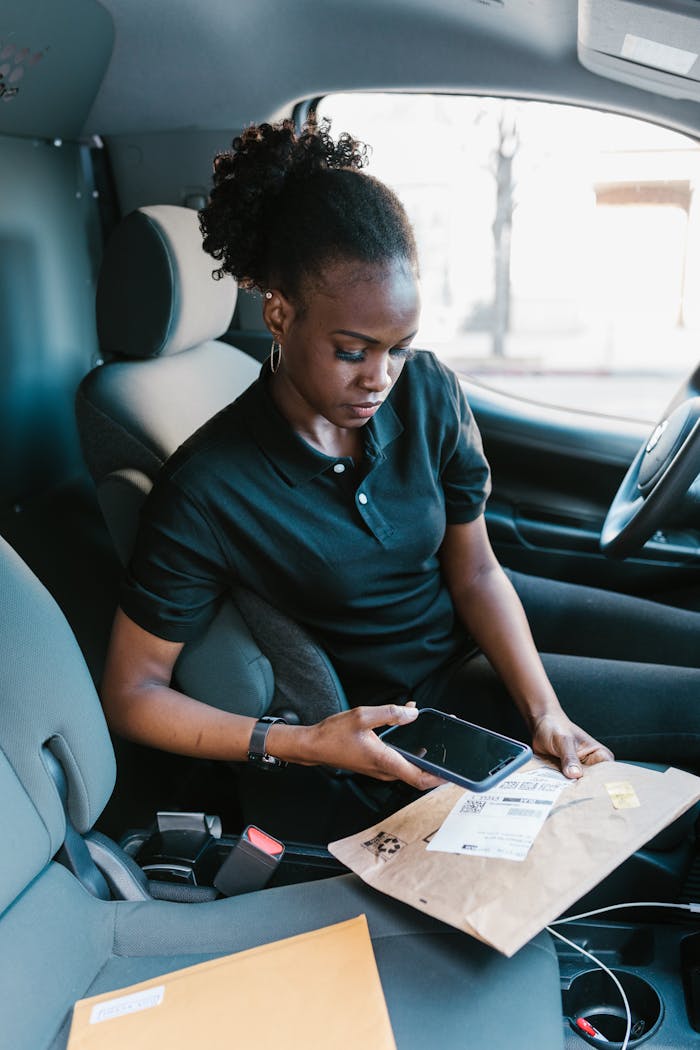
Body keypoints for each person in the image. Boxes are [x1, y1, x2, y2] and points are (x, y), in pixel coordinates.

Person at [101, 118, 700, 794]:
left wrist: (548, 711)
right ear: (277, 315)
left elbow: (473, 571)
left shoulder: (427, 391)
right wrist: (301, 743)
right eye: (352, 351)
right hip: (427, 702)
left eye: (400, 346)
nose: (380, 378)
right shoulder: (209, 487)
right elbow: (132, 693)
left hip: (473, 615)